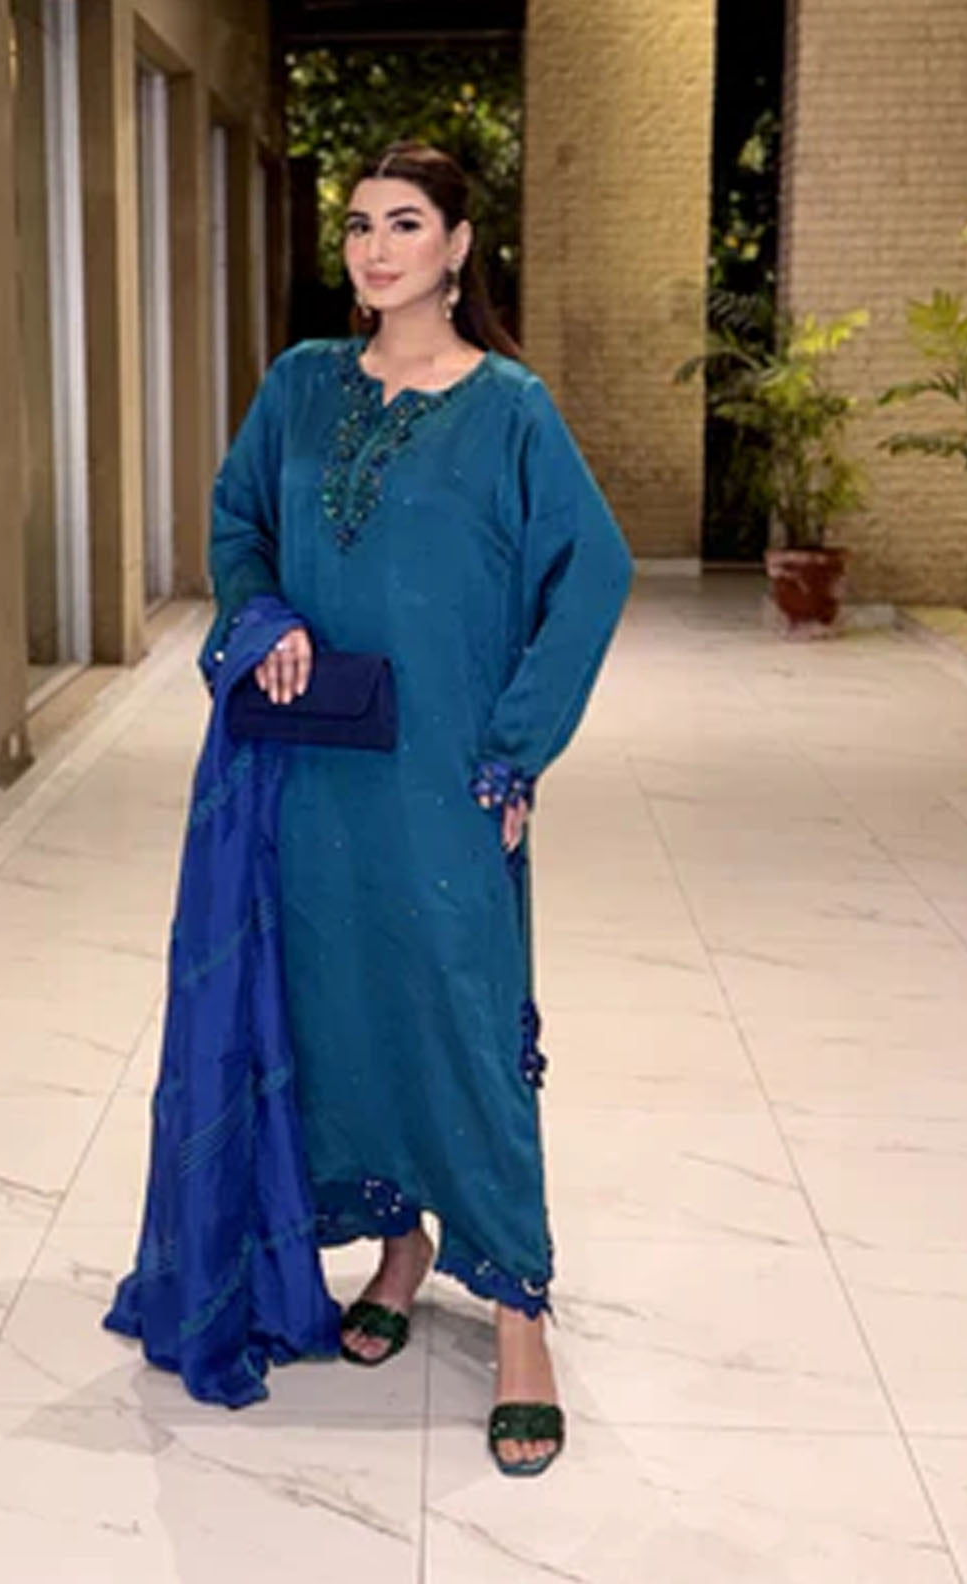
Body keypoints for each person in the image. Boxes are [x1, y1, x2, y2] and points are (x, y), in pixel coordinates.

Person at [203, 140, 630, 1476]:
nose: (375, 247)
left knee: (463, 1021)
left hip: (445, 775)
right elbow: (237, 524)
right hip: (315, 769)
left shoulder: (509, 408)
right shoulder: (300, 385)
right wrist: (262, 615)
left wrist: (515, 753)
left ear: (456, 247)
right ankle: (400, 1249)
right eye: (357, 224)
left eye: (404, 223)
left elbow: (594, 570)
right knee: (342, 1011)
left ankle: (518, 1313)